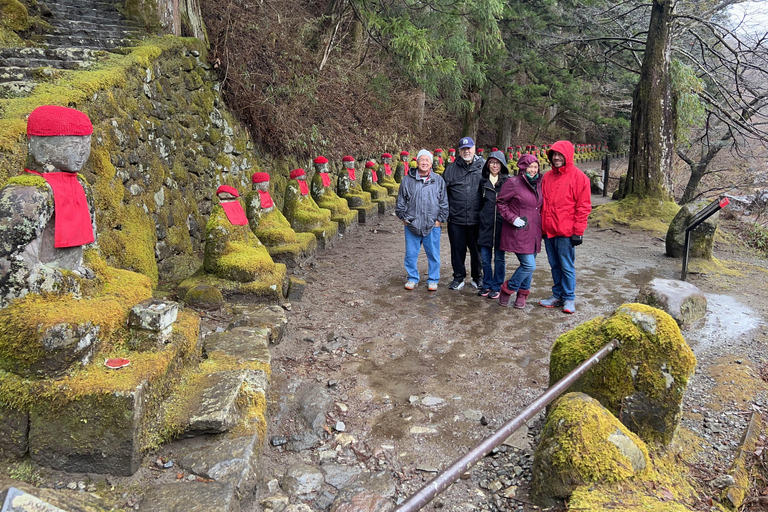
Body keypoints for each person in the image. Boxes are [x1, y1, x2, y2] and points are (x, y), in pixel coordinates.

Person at [538, 140, 592, 314]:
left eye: (560, 155)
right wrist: (541, 228)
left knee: (566, 265)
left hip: (566, 231)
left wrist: (578, 231)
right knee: (554, 265)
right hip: (549, 229)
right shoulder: (547, 177)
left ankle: (569, 297)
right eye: (554, 155)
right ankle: (558, 295)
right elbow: (542, 203)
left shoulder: (579, 178)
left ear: (567, 156)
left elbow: (583, 206)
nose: (557, 158)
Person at [395, 149, 448, 292]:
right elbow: (400, 202)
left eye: (427, 160)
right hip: (412, 223)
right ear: (417, 162)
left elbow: (444, 202)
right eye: (422, 160)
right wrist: (404, 218)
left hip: (432, 224)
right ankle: (412, 278)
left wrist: (440, 220)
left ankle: (433, 279)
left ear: (431, 163)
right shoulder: (407, 180)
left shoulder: (438, 180)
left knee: (433, 254)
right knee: (411, 254)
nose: (424, 163)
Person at [496, 154, 543, 308]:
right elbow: (501, 203)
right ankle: (508, 288)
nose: (533, 170)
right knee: (529, 265)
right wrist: (513, 218)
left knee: (530, 265)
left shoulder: (539, 183)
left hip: (535, 232)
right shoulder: (513, 183)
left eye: (536, 167)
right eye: (530, 166)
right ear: (523, 167)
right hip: (519, 230)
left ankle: (522, 295)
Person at [442, 136, 484, 290]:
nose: (467, 151)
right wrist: (445, 214)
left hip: (477, 218)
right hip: (456, 218)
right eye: (463, 149)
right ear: (459, 151)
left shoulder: (483, 167)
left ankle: (477, 277)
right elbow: (443, 194)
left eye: (469, 148)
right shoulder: (451, 169)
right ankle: (458, 277)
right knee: (457, 250)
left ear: (474, 148)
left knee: (477, 250)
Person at [477, 150, 510, 299]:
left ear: (502, 165)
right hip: (485, 226)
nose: (494, 165)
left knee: (499, 259)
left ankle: (497, 285)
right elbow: (478, 202)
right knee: (485, 258)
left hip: (502, 227)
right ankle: (487, 284)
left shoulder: (508, 182)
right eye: (492, 162)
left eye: (497, 163)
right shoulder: (483, 182)